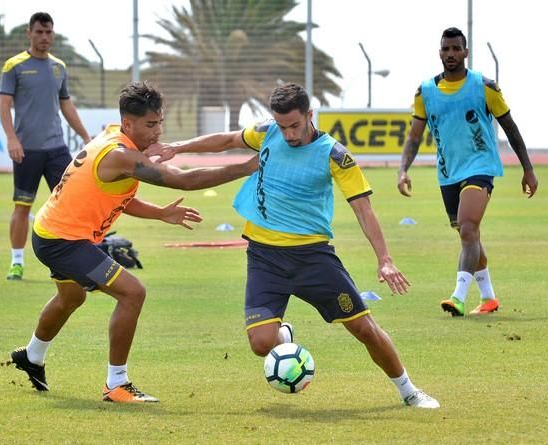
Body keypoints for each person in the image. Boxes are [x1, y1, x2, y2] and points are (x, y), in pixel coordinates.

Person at [146, 83, 440, 408]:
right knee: (261, 344)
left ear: (309, 115)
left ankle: (409, 391)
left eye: (295, 125)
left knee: (363, 327)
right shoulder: (267, 132)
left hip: (313, 258)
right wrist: (179, 147)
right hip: (264, 256)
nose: (288, 134)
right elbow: (228, 139)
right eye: (282, 126)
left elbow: (363, 209)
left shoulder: (335, 155)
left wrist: (384, 258)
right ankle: (283, 335)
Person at [9, 81, 258, 403]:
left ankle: (31, 355)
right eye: (150, 125)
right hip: (63, 240)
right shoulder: (121, 154)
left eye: (160, 123)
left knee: (71, 298)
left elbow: (114, 195)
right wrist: (246, 168)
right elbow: (182, 179)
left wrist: (159, 214)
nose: (157, 131)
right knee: (132, 292)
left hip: (53, 231)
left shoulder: (113, 137)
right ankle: (116, 384)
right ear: (129, 123)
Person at [397, 27, 538, 317]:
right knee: (467, 234)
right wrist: (403, 170)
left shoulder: (484, 86)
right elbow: (414, 137)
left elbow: (510, 126)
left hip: (481, 167)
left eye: (456, 49)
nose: (450, 54)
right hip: (448, 172)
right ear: (440, 52)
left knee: (468, 227)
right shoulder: (425, 91)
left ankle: (458, 296)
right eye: (446, 49)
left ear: (465, 52)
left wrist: (528, 169)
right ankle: (489, 298)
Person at [0, 12, 91, 281]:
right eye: (39, 32)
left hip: (57, 149)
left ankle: (73, 261)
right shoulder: (14, 66)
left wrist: (86, 137)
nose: (44, 37)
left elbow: (66, 105)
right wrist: (12, 139)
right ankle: (16, 262)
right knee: (22, 206)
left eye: (48, 32)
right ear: (29, 33)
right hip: (26, 149)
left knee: (70, 203)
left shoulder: (59, 67)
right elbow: (4, 106)